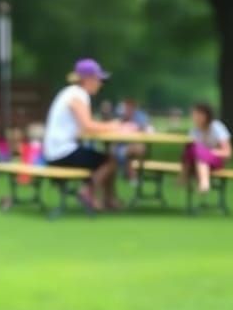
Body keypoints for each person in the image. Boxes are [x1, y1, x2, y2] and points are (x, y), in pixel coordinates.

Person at [42, 58, 120, 211]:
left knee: (106, 159)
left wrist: (106, 127)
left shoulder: (69, 93)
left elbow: (82, 127)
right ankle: (87, 191)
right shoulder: (78, 95)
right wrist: (115, 125)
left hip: (55, 152)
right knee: (110, 162)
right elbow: (88, 125)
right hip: (61, 153)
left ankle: (109, 200)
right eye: (99, 79)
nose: (100, 83)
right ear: (88, 79)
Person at [181, 103, 232, 197]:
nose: (194, 117)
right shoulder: (194, 131)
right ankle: (194, 180)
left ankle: (204, 183)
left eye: (196, 115)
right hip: (196, 161)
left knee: (199, 151)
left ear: (205, 115)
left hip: (215, 161)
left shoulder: (217, 127)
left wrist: (209, 152)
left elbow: (228, 153)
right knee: (193, 149)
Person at [114, 98, 152, 181]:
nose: (127, 109)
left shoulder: (140, 116)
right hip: (121, 145)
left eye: (129, 107)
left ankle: (133, 175)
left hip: (134, 144)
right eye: (126, 107)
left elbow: (146, 129)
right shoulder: (120, 116)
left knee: (137, 149)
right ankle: (133, 176)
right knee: (128, 151)